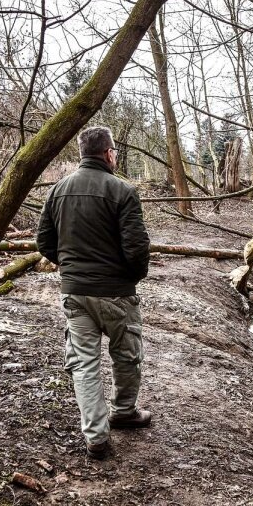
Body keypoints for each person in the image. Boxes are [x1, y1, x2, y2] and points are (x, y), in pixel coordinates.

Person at [37, 125, 151, 460]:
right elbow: (136, 248)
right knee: (127, 355)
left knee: (84, 364)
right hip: (116, 293)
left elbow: (44, 242)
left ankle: (96, 437)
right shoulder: (122, 191)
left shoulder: (58, 189)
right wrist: (131, 277)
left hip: (74, 293)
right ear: (108, 153)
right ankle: (124, 412)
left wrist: (71, 267)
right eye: (115, 151)